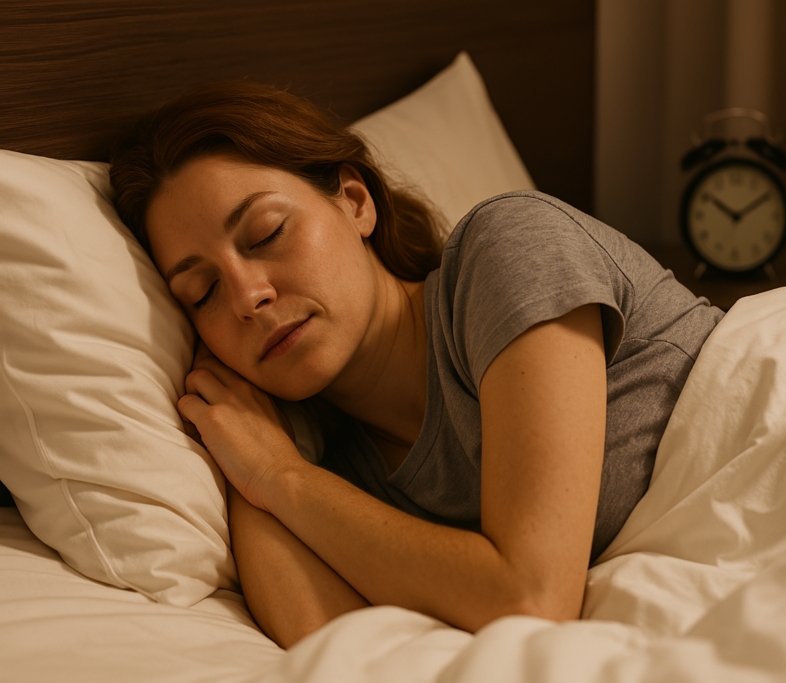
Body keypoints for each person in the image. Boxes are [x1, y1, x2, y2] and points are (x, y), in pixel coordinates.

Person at [109, 81, 724, 649]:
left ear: (355, 202)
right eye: (202, 293)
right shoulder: (343, 479)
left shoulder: (508, 248)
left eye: (266, 232)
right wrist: (243, 456)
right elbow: (345, 651)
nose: (247, 298)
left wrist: (278, 476)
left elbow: (531, 597)